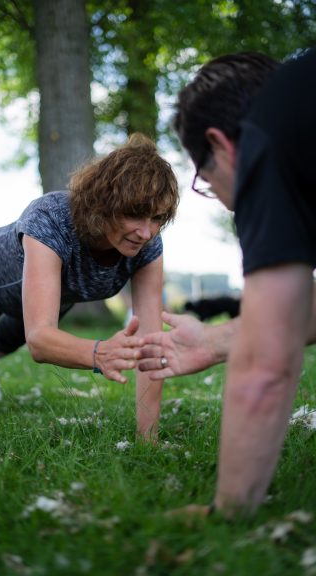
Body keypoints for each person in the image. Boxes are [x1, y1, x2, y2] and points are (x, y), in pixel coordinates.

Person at [138, 48, 316, 515]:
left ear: (221, 144)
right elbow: (285, 323)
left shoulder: (266, 138)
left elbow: (265, 368)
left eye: (205, 178)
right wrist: (218, 340)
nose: (217, 196)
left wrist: (228, 511)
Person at [0, 133, 179, 439]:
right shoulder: (52, 218)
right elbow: (40, 340)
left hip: (48, 296)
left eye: (156, 218)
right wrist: (99, 353)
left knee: (8, 341)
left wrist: (148, 440)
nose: (146, 232)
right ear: (104, 201)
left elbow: (151, 344)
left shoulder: (147, 246)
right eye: (134, 214)